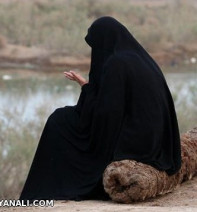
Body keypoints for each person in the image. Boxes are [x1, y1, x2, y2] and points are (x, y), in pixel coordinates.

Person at [19, 16, 181, 202]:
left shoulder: (116, 63)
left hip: (136, 144)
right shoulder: (140, 58)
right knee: (65, 118)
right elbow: (116, 105)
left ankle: (49, 187)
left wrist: (88, 90)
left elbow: (106, 117)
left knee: (59, 121)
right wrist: (87, 86)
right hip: (156, 141)